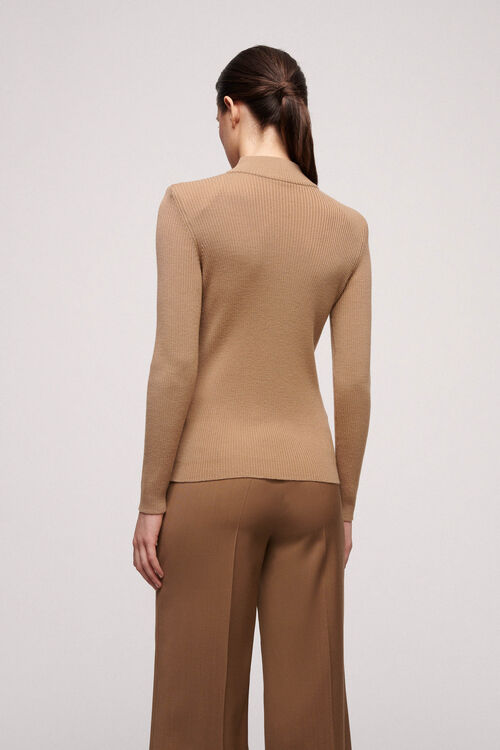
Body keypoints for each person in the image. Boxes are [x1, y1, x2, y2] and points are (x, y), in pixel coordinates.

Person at [133, 44, 371, 750]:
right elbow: (354, 384)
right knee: (313, 719)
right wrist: (344, 506)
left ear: (232, 111)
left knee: (197, 719)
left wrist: (152, 499)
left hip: (208, 484)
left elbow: (174, 364)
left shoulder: (188, 206)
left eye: (218, 120)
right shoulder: (347, 227)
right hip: (312, 486)